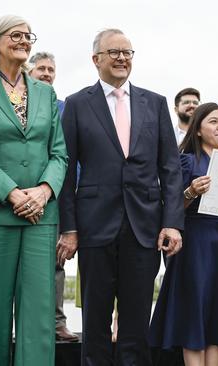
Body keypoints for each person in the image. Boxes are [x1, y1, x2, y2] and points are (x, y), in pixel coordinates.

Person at [57, 28, 184, 366]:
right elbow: (66, 172)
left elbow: (170, 168)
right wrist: (68, 228)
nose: (122, 58)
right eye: (113, 52)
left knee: (136, 321)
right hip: (95, 225)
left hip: (144, 225)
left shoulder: (155, 103)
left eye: (127, 52)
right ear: (96, 59)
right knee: (95, 320)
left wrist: (172, 223)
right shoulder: (77, 103)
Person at [0, 15, 67, 366]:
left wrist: (44, 191)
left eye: (28, 36)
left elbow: (59, 152)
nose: (24, 41)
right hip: (0, 213)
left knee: (38, 312)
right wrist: (12, 192)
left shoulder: (46, 93)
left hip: (41, 214)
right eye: (16, 35)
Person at [149, 102, 218, 366]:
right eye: (213, 121)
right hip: (196, 242)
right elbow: (171, 206)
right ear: (197, 129)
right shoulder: (186, 160)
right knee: (194, 313)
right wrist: (191, 192)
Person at [28, 50, 78, 343]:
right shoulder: (17, 104)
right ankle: (21, 323)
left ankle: (57, 322)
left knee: (56, 262)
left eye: (51, 70)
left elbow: (71, 156)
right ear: (28, 72)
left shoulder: (65, 108)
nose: (47, 74)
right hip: (18, 196)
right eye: (41, 69)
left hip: (55, 195)